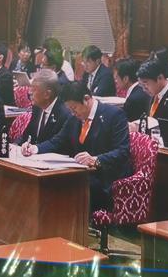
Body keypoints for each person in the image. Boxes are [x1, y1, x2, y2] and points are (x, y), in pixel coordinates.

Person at [22, 81, 132, 212]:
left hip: (105, 177)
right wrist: (35, 148)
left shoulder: (114, 115)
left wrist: (96, 159)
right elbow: (58, 141)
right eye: (70, 109)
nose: (72, 112)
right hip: (82, 174)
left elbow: (123, 151)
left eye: (74, 108)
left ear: (86, 99)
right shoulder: (74, 118)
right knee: (51, 183)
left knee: (69, 188)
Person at [15, 70, 71, 145]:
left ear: (47, 94)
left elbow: (57, 145)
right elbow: (26, 135)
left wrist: (35, 149)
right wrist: (16, 146)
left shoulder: (65, 115)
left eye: (34, 89)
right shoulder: (37, 107)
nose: (29, 92)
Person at [135, 58, 168, 125]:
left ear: (160, 78)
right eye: (141, 85)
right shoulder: (151, 93)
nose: (144, 89)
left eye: (145, 84)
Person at [114, 57, 150, 122]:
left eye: (116, 77)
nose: (115, 81)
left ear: (125, 79)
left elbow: (124, 122)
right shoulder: (141, 89)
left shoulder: (133, 100)